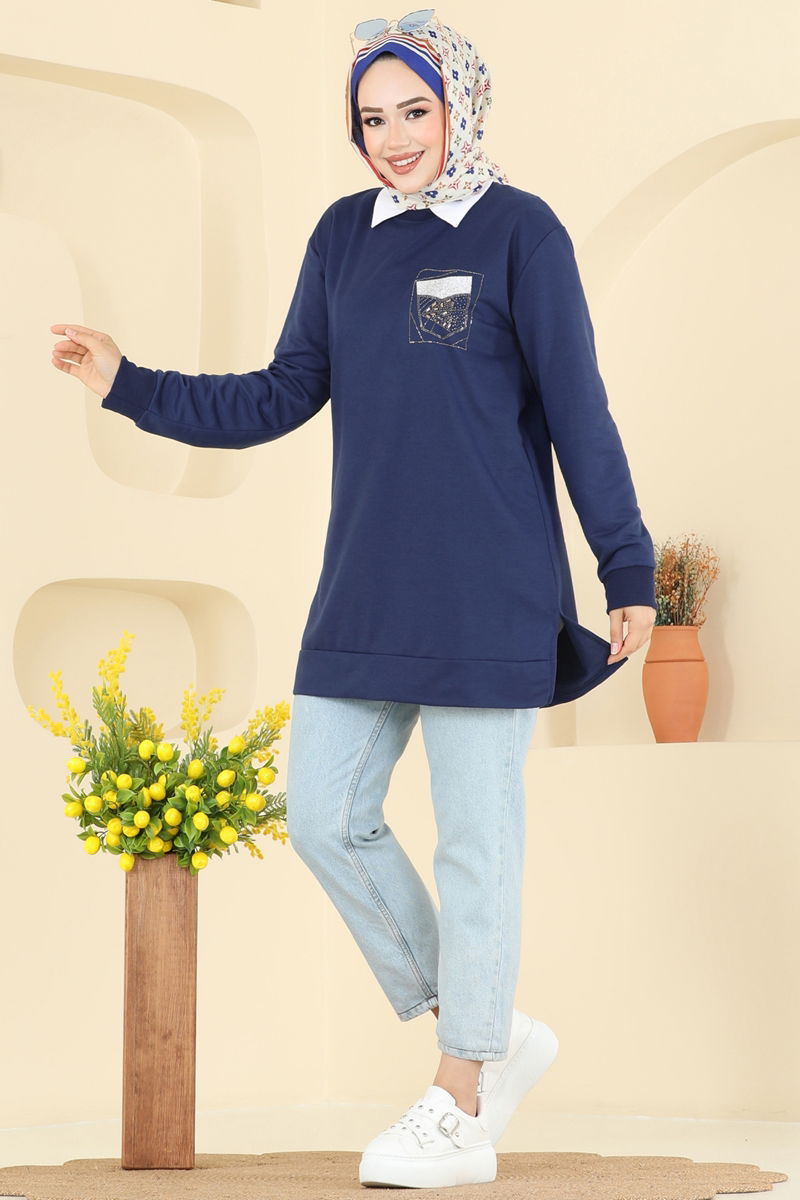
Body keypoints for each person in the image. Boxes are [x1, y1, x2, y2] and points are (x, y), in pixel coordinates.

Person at [49, 10, 656, 1189]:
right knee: (322, 813)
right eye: (370, 118)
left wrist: (623, 566)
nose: (392, 138)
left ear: (458, 107)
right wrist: (129, 382)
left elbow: (578, 409)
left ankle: (460, 1096)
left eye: (412, 111)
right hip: (367, 589)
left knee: (476, 844)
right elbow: (279, 394)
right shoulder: (342, 237)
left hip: (487, 592)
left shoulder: (521, 232)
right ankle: (484, 1024)